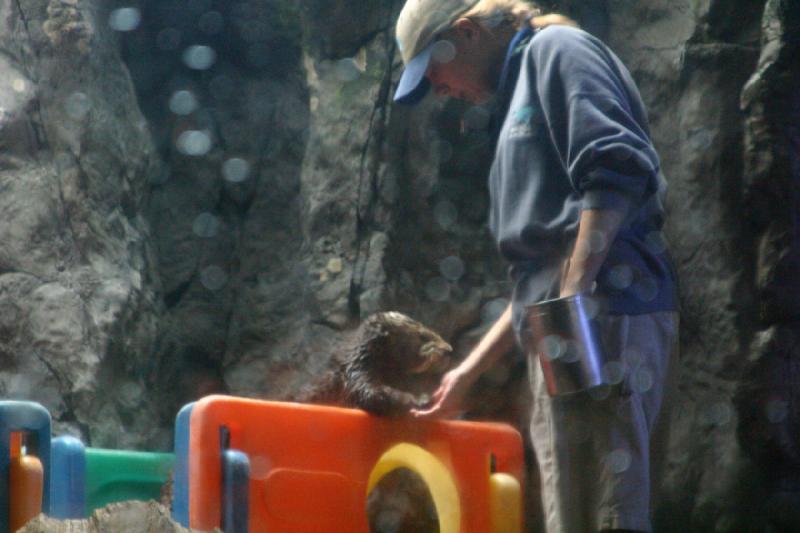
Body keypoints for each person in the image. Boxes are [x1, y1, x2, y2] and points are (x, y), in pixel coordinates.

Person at [394, 1, 680, 532]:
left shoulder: (556, 50)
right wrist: (466, 375)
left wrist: (572, 303)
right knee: (572, 514)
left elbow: (615, 168)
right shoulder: (517, 87)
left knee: (606, 511)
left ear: (467, 31)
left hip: (606, 313)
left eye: (434, 69)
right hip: (570, 323)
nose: (439, 88)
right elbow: (535, 277)